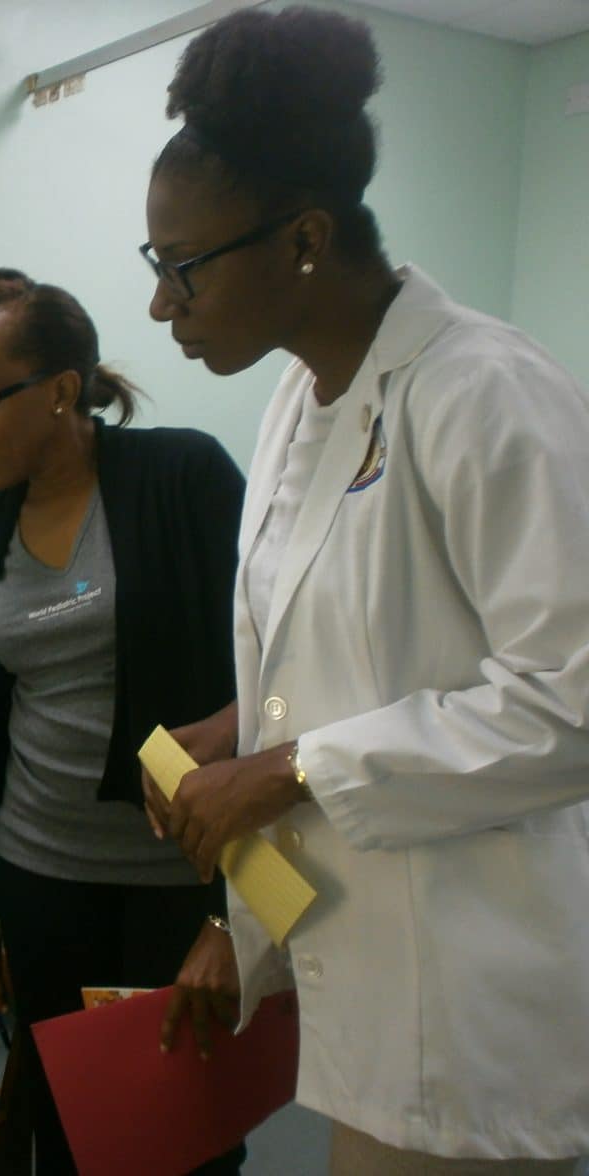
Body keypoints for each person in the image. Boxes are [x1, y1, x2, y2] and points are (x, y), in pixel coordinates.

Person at [140, 7, 589, 1172]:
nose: (160, 306)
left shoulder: (483, 392)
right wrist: (238, 730)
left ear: (302, 240)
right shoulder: (301, 398)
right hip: (360, 967)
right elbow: (363, 656)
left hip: (470, 994)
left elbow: (568, 704)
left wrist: (279, 772)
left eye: (180, 269)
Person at [0, 270, 246, 1174]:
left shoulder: (180, 478)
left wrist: (234, 923)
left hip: (177, 881)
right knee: (66, 1127)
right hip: (41, 876)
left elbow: (276, 670)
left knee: (185, 1130)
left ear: (63, 390)